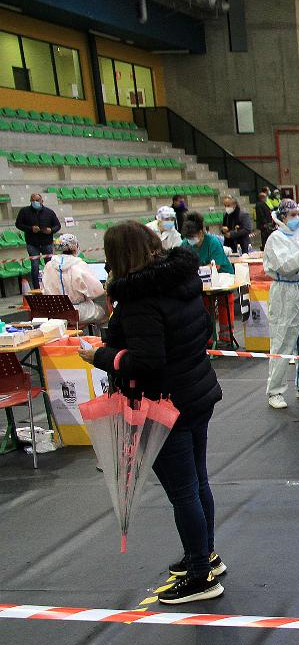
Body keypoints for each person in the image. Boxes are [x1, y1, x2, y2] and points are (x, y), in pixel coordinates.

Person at [83, 221, 224, 604]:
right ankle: (205, 556)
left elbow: (147, 362)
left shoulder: (139, 299)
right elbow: (203, 331)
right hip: (196, 393)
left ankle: (200, 576)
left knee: (183, 493)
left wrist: (100, 356)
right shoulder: (182, 281)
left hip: (164, 403)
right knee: (198, 483)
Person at [263, 199, 299, 409]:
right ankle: (275, 391)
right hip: (285, 293)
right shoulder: (275, 239)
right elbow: (286, 267)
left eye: (298, 214)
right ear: (282, 218)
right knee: (283, 341)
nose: (297, 218)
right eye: (292, 215)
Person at [41, 234, 105, 323]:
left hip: (55, 311)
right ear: (75, 247)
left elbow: (44, 290)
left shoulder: (48, 265)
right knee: (101, 311)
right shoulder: (79, 265)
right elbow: (97, 291)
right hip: (77, 311)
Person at [15, 192, 60, 289]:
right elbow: (18, 224)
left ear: (42, 201)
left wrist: (51, 230)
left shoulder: (49, 212)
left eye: (37, 200)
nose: (35, 202)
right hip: (32, 243)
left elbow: (57, 225)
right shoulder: (24, 211)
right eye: (33, 200)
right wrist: (30, 228)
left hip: (47, 242)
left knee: (49, 265)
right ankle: (36, 288)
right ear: (30, 201)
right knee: (35, 266)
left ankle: (52, 286)